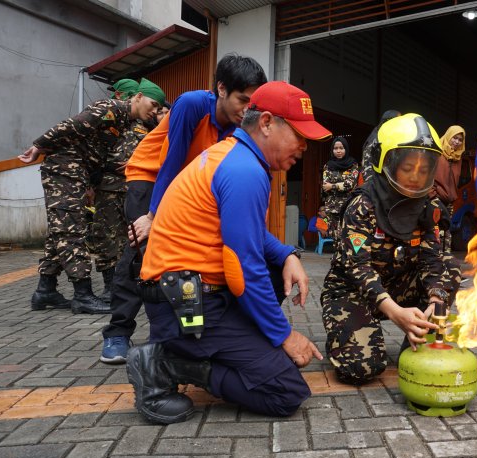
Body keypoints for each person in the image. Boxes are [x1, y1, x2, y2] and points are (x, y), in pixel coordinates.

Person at [126, 81, 330, 424]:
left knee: (270, 267)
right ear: (265, 123)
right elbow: (243, 270)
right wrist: (285, 335)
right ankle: (165, 363)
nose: (304, 148)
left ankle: (207, 351)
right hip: (185, 305)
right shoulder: (244, 171)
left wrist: (287, 254)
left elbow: (247, 236)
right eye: (299, 135)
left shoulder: (234, 156)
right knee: (285, 392)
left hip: (183, 294)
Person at [100, 54, 267, 364]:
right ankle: (117, 332)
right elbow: (171, 161)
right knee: (142, 249)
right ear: (221, 88)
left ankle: (175, 331)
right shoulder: (192, 104)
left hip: (185, 187)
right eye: (242, 99)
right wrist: (152, 217)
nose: (247, 110)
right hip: (151, 177)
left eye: (253, 104)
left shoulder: (237, 127)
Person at [321, 113, 461, 385]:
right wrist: (395, 313)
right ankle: (344, 335)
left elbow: (432, 261)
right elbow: (357, 267)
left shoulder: (429, 208)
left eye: (423, 169)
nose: (415, 177)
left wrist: (435, 300)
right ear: (387, 162)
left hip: (398, 285)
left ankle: (419, 337)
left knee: (450, 270)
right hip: (354, 291)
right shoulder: (363, 205)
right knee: (362, 369)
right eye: (408, 167)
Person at [20, 80, 162, 314]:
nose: (154, 110)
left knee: (61, 230)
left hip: (78, 172)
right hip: (64, 169)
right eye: (152, 104)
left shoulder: (126, 120)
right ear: (137, 97)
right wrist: (39, 146)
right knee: (71, 231)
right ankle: (83, 295)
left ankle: (45, 290)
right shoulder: (111, 108)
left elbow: (98, 154)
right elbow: (70, 125)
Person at [91, 79, 165, 304]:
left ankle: (135, 285)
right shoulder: (110, 119)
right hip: (109, 186)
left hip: (136, 189)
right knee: (106, 236)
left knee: (132, 239)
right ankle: (110, 287)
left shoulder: (147, 123)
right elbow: (98, 152)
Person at [431, 125, 465, 251]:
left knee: (447, 230)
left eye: (460, 139)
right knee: (436, 231)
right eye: (454, 138)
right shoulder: (436, 152)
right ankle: (435, 259)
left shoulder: (458, 157)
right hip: (435, 198)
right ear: (448, 136)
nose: (456, 142)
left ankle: (446, 258)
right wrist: (432, 195)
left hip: (449, 201)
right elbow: (428, 175)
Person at [321, 136, 360, 237]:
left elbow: (350, 184)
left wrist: (333, 186)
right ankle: (337, 253)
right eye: (335, 148)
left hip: (348, 206)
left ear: (346, 149)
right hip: (332, 208)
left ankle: (345, 253)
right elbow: (325, 186)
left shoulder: (353, 165)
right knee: (335, 237)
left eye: (341, 148)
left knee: (347, 235)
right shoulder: (328, 165)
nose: (338, 151)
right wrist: (339, 186)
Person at [360, 109, 401, 184]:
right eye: (397, 121)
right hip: (375, 185)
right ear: (388, 121)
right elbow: (367, 165)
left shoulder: (389, 136)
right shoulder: (376, 138)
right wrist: (372, 186)